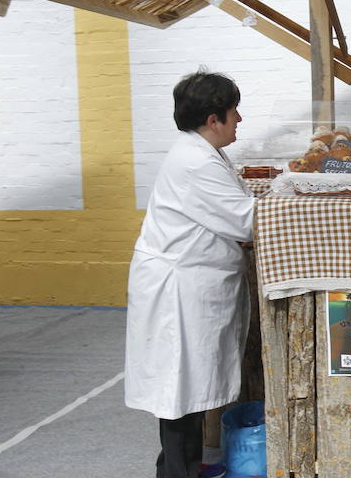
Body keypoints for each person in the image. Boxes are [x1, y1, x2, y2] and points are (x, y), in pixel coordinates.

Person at [125, 70, 255, 478]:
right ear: (213, 119)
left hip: (190, 284)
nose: (239, 120)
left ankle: (189, 467)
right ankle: (176, 473)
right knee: (178, 391)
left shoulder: (200, 152)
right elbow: (246, 222)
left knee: (188, 390)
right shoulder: (195, 162)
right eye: (234, 112)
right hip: (178, 290)